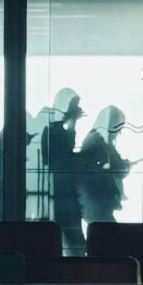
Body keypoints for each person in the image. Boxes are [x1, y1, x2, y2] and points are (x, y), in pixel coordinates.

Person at [42, 88, 87, 255]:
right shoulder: (53, 130)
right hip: (61, 190)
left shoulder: (55, 129)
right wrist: (72, 121)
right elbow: (61, 155)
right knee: (71, 232)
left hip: (64, 190)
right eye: (73, 105)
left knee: (72, 231)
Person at [78, 106, 130, 224]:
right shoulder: (99, 141)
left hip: (97, 200)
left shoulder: (94, 139)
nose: (119, 133)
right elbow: (115, 167)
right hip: (97, 201)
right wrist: (126, 166)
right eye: (118, 127)